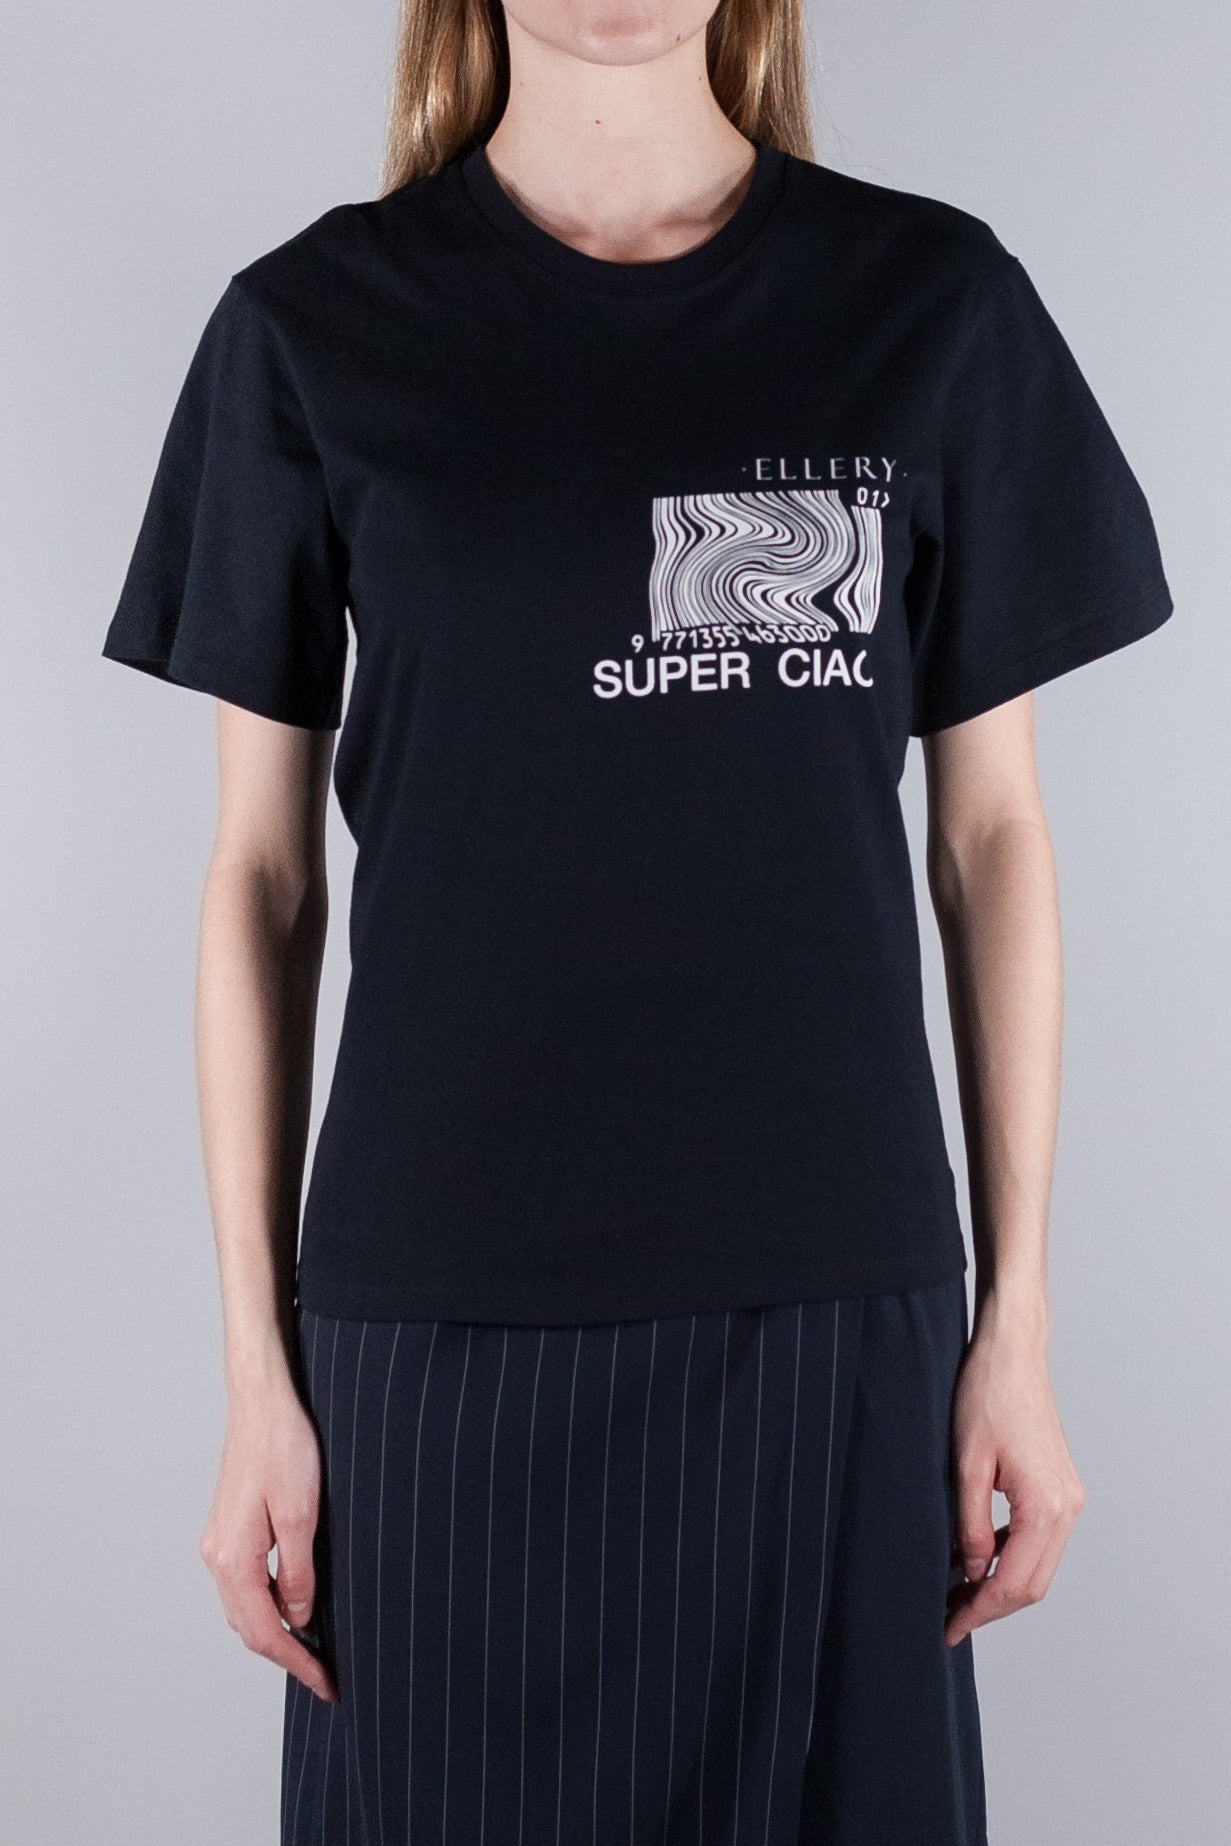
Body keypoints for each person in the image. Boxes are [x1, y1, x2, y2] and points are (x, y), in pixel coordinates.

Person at [100, 0, 1174, 1837]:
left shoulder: (928, 303)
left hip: (835, 1305)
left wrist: (1020, 1322)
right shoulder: (313, 327)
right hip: (437, 1321)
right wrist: (256, 1372)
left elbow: (992, 839)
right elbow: (259, 880)